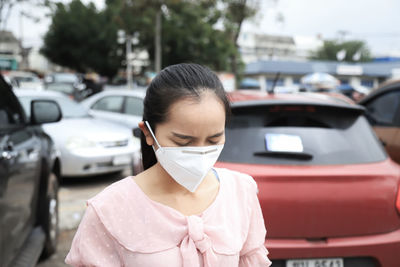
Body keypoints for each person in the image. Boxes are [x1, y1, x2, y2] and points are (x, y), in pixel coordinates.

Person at [65, 63, 271, 267]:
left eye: (213, 140)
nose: (200, 152)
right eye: (183, 142)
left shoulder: (240, 191)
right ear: (148, 134)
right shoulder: (109, 209)